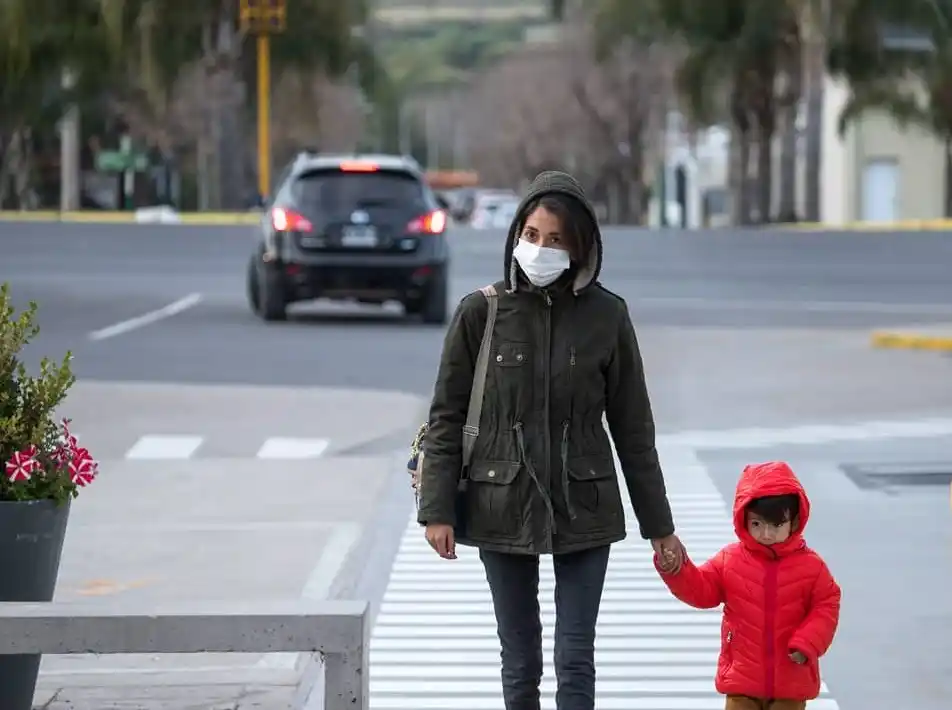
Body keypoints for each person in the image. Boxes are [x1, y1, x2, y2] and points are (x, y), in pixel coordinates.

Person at [416, 170, 683, 710]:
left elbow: (634, 431)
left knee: (575, 656)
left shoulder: (608, 316)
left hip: (585, 502)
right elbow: (446, 416)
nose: (540, 249)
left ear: (582, 247)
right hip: (499, 499)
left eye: (556, 240)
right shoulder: (480, 312)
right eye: (532, 235)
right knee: (520, 661)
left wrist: (661, 528)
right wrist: (436, 509)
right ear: (516, 235)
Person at [655, 460, 842, 710]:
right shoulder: (730, 560)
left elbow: (826, 604)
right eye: (757, 524)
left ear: (794, 521)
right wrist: (677, 570)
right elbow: (701, 590)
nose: (766, 534)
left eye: (776, 525)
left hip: (791, 678)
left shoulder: (811, 567)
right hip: (742, 679)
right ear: (743, 519)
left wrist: (808, 642)